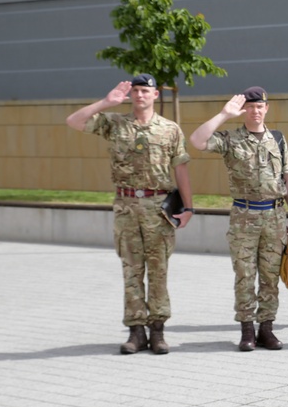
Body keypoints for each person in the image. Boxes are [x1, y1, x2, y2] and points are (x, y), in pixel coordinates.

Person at [65, 74, 193, 355]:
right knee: (131, 271)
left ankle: (157, 331)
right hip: (126, 206)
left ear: (156, 95)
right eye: (135, 91)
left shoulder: (170, 129)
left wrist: (188, 207)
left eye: (145, 91)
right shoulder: (114, 123)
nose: (139, 95)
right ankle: (136, 331)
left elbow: (180, 168)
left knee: (158, 271)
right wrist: (105, 102)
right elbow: (74, 121)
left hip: (158, 207)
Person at [189, 86, 288, 351]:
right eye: (250, 107)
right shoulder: (231, 138)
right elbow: (197, 141)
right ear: (243, 110)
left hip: (274, 215)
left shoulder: (279, 139)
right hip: (244, 216)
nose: (255, 111)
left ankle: (267, 328)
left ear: (266, 108)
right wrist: (223, 114)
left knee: (270, 275)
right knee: (244, 274)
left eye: (259, 106)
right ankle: (247, 330)